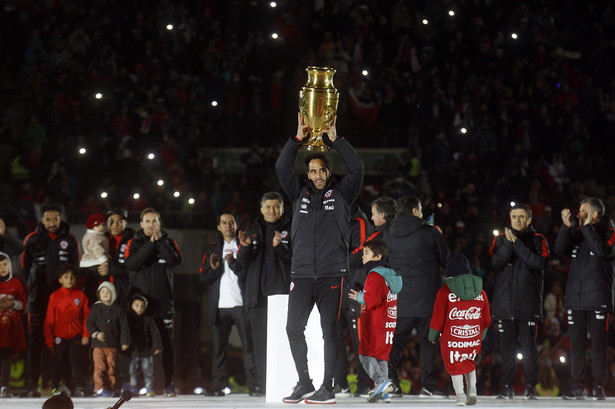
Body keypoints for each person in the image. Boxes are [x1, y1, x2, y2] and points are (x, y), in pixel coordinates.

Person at [276, 113, 364, 404]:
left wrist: (336, 140)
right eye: (312, 171)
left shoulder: (342, 194)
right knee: (292, 329)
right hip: (301, 273)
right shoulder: (297, 193)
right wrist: (296, 139)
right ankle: (304, 382)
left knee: (330, 332)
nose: (316, 176)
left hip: (331, 274)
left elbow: (357, 168)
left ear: (328, 172)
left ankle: (328, 386)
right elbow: (281, 166)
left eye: (321, 171)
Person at [383, 196, 451, 398]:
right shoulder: (430, 232)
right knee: (429, 342)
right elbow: (447, 259)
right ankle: (429, 386)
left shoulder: (387, 234)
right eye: (420, 210)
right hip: (428, 300)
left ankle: (392, 384)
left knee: (394, 342)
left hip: (398, 298)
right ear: (414, 212)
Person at [554, 197, 615, 400]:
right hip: (575, 299)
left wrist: (587, 227)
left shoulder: (610, 232)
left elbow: (601, 251)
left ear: (595, 214)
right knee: (576, 346)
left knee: (598, 346)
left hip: (598, 298)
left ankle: (598, 387)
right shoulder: (577, 233)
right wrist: (565, 226)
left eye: (583, 211)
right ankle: (577, 387)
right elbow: (559, 250)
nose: (578, 214)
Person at [489, 203, 549, 399]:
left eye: (521, 216)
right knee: (507, 351)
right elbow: (495, 263)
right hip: (505, 306)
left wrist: (517, 244)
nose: (517, 220)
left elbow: (538, 264)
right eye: (514, 216)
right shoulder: (499, 239)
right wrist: (509, 243)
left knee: (529, 350)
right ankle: (507, 386)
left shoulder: (539, 239)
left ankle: (530, 386)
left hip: (528, 306)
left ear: (529, 219)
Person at [21, 203, 81, 397]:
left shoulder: (70, 240)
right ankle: (32, 385)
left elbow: (76, 268)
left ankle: (67, 384)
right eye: (48, 219)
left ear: (60, 219)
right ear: (42, 220)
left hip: (62, 300)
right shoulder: (32, 239)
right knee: (36, 343)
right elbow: (23, 266)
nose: (52, 222)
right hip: (38, 299)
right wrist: (32, 288)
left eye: (55, 218)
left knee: (64, 344)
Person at [235, 191, 291, 395]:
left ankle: (286, 383)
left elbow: (297, 261)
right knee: (260, 345)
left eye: (276, 206)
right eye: (268, 207)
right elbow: (242, 264)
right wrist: (245, 248)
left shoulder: (292, 228)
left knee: (285, 342)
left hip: (283, 297)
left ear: (283, 208)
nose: (272, 210)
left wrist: (279, 248)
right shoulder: (251, 228)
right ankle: (264, 385)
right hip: (258, 298)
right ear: (261, 209)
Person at [199, 212, 258, 396]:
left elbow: (251, 272)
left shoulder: (244, 243)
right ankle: (218, 386)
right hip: (220, 306)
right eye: (223, 223)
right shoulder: (213, 247)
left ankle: (254, 385)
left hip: (241, 304)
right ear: (218, 226)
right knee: (219, 350)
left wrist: (235, 261)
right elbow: (203, 277)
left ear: (236, 224)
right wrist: (215, 270)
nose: (227, 226)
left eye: (230, 222)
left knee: (249, 347)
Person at [125, 207, 182, 397]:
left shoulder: (169, 242)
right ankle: (137, 385)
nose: (151, 225)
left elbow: (174, 261)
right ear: (141, 224)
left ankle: (168, 384)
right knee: (138, 347)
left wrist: (160, 243)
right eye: (147, 221)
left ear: (160, 223)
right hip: (140, 308)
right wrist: (150, 244)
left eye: (155, 221)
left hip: (163, 306)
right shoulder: (133, 242)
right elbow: (132, 263)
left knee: (166, 347)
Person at [429, 254, 491, 406]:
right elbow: (486, 319)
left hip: (453, 338)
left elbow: (438, 318)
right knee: (468, 361)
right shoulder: (481, 293)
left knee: (454, 363)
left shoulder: (444, 292)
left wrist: (433, 336)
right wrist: (480, 336)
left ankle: (460, 395)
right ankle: (472, 390)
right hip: (473, 337)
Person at [349, 239, 402, 403]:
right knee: (381, 357)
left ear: (378, 256)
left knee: (364, 355)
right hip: (387, 324)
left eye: (366, 253)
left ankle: (382, 383)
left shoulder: (374, 274)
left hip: (374, 324)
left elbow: (373, 300)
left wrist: (359, 296)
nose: (363, 257)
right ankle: (383, 394)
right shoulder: (389, 275)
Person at [334, 204, 376, 398]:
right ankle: (340, 384)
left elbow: (359, 255)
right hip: (336, 289)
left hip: (354, 288)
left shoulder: (358, 221)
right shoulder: (334, 219)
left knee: (360, 340)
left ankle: (364, 385)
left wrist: (333, 257)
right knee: (335, 339)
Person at [101, 207, 135, 393]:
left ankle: (127, 382)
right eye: (111, 221)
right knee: (105, 343)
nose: (114, 225)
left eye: (118, 221)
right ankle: (103, 383)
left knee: (125, 342)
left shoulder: (133, 239)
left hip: (125, 299)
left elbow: (133, 269)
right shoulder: (101, 239)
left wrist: (111, 270)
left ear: (125, 222)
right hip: (105, 299)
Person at [44, 265, 90, 397]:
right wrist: (49, 339)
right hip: (59, 336)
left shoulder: (80, 295)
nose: (69, 279)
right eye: (66, 277)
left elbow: (87, 316)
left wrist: (86, 334)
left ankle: (80, 386)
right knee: (58, 362)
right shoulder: (54, 296)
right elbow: (49, 320)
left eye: (72, 277)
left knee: (76, 362)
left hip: (76, 335)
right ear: (60, 280)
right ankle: (55, 387)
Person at [86, 281, 130, 397]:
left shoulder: (118, 310)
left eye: (108, 292)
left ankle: (111, 387)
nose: (105, 294)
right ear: (99, 294)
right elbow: (89, 323)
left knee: (111, 367)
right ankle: (99, 388)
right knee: (99, 367)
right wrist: (96, 334)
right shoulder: (96, 309)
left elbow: (124, 327)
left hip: (112, 345)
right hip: (98, 345)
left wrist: (124, 341)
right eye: (103, 292)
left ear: (113, 294)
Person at [0, 252, 26, 398]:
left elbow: (23, 302)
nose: (2, 268)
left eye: (5, 264)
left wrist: (12, 304)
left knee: (5, 357)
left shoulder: (15, 283)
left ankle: (4, 387)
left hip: (9, 329)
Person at [126, 293, 162, 397]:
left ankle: (149, 388)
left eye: (142, 306)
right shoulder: (128, 319)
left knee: (148, 372)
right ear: (131, 306)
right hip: (133, 351)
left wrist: (157, 346)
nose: (140, 308)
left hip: (146, 351)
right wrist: (123, 349)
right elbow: (123, 334)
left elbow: (155, 334)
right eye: (137, 305)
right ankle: (133, 389)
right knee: (132, 372)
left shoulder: (148, 320)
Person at [79, 213, 110, 304]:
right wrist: (103, 260)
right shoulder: (93, 236)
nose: (101, 227)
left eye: (103, 225)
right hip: (93, 262)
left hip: (94, 262)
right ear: (91, 226)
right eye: (97, 225)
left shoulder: (98, 235)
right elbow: (96, 249)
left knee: (93, 284)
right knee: (103, 280)